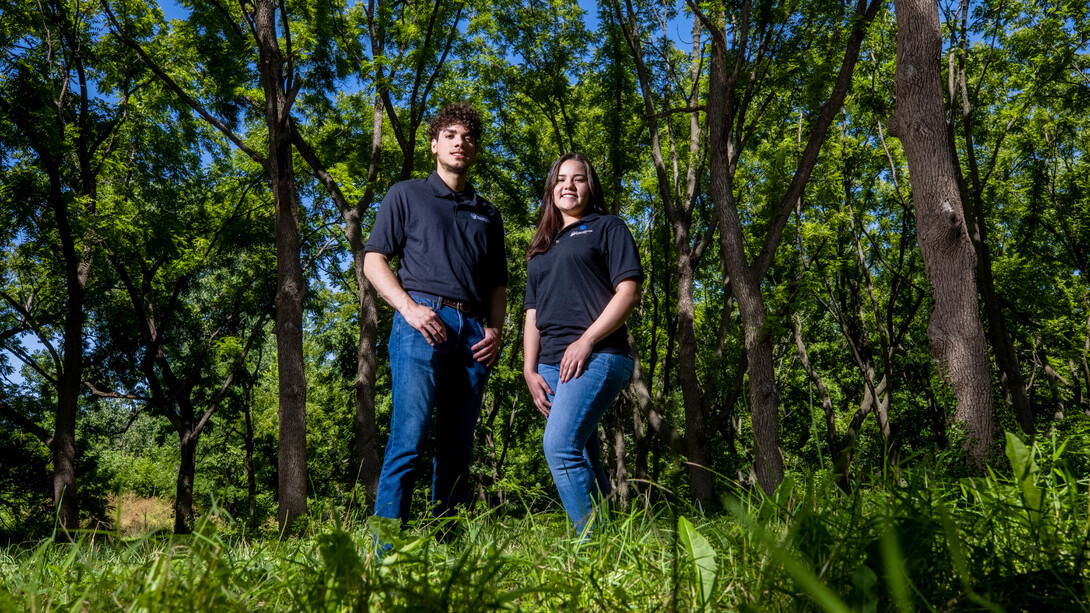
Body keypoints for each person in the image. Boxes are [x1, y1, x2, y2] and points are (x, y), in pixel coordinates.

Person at [363, 103, 507, 527]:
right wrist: (409, 309)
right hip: (423, 324)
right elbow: (374, 261)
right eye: (450, 135)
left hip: (475, 334)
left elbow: (499, 284)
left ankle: (447, 551)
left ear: (474, 150)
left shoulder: (489, 213)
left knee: (458, 447)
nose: (460, 143)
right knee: (409, 439)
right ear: (434, 145)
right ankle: (389, 548)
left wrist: (497, 330)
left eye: (467, 138)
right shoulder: (406, 193)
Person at [522, 153, 643, 535]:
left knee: (559, 447)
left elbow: (629, 292)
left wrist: (587, 340)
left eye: (578, 179)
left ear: (591, 187)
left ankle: (588, 546)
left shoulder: (608, 227)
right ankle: (610, 547)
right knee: (585, 456)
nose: (568, 185)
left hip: (598, 356)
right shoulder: (540, 247)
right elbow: (532, 313)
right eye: (560, 179)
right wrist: (529, 369)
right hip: (549, 366)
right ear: (550, 189)